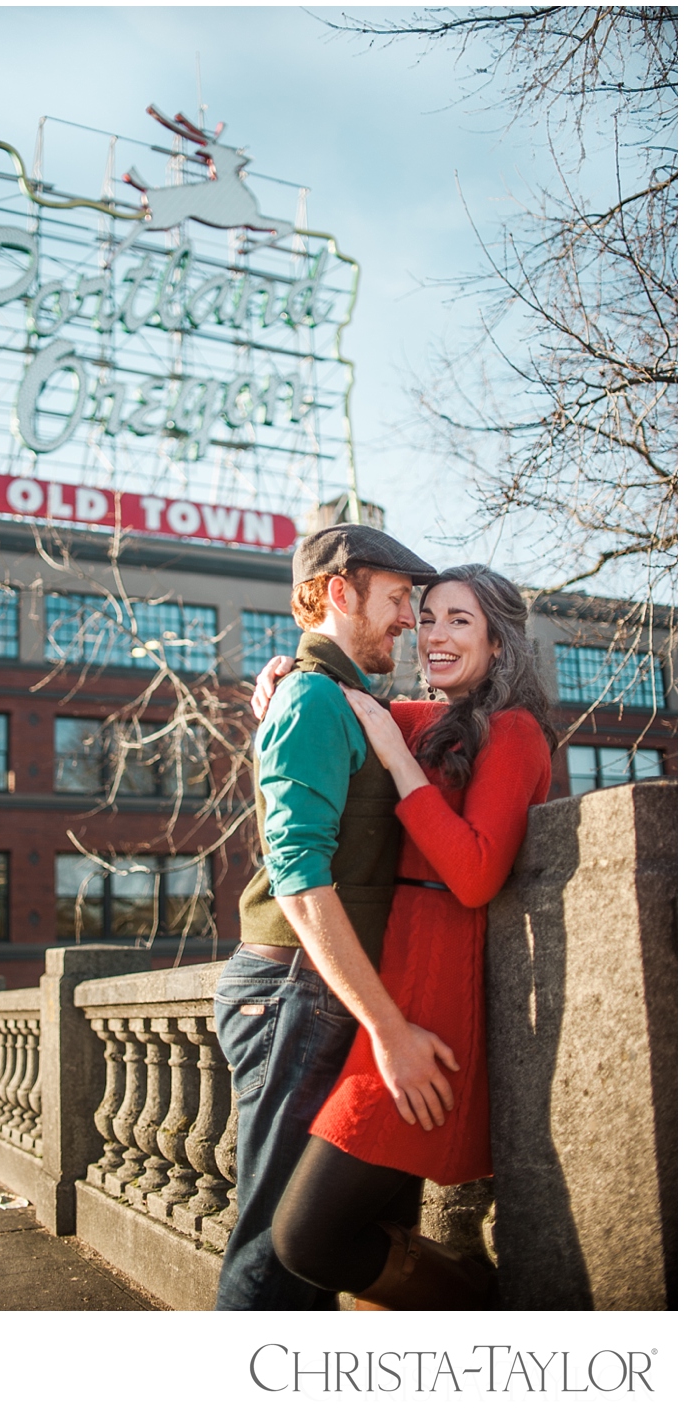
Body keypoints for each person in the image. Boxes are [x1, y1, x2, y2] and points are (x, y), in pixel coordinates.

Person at [250, 565, 555, 1309]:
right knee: (370, 1221)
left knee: (307, 1235)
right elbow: (327, 707)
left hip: (430, 999)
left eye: (459, 619)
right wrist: (282, 681)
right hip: (382, 980)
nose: (434, 634)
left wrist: (393, 754)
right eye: (425, 617)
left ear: (496, 637)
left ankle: (483, 1300)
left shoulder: (512, 731)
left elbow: (477, 872)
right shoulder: (418, 716)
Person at [214, 522, 456, 1311]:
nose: (408, 621)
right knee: (273, 1254)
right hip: (294, 990)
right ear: (338, 594)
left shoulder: (337, 696)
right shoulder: (312, 700)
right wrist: (388, 1028)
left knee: (320, 1249)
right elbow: (297, 879)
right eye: (394, 600)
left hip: (318, 990)